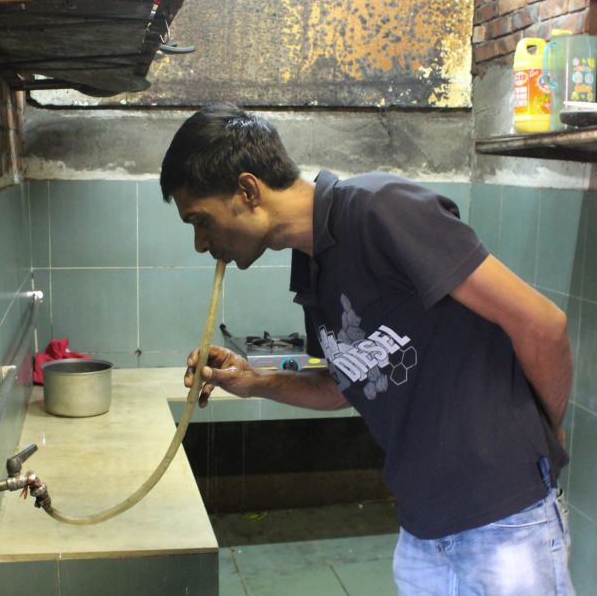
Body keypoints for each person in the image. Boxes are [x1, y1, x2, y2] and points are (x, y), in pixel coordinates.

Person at [160, 103, 574, 595]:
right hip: (423, 525)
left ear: (248, 191)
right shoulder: (312, 269)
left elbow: (542, 324)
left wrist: (544, 436)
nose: (201, 243)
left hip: (505, 516)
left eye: (200, 221)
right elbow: (343, 388)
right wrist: (252, 382)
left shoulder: (382, 210)